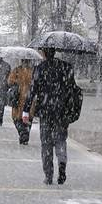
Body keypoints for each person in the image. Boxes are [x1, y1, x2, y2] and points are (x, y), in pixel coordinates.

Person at [22, 48, 76, 185]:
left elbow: (32, 90)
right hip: (62, 113)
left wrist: (26, 110)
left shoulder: (40, 68)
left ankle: (48, 175)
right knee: (60, 141)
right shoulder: (66, 67)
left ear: (44, 53)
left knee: (46, 144)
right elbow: (72, 90)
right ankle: (62, 166)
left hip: (46, 113)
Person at [8, 60, 35, 145]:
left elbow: (9, 81)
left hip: (18, 98)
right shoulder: (33, 71)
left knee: (16, 118)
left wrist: (17, 82)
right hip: (30, 99)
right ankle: (25, 134)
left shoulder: (16, 70)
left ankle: (22, 133)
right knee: (28, 118)